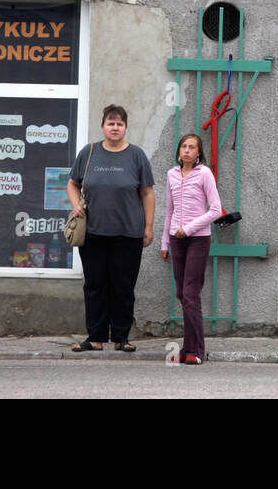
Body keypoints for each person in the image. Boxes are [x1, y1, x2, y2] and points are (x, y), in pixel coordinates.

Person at [67, 104, 154, 352]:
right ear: (103, 126)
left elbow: (147, 193)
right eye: (110, 123)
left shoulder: (136, 155)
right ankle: (94, 338)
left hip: (128, 233)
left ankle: (121, 338)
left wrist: (148, 226)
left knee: (123, 286)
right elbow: (72, 184)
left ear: (125, 127)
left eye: (119, 124)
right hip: (93, 232)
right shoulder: (89, 152)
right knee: (95, 285)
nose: (115, 128)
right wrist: (76, 206)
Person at [160, 133, 223, 365]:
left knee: (190, 294)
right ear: (179, 151)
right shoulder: (171, 174)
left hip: (197, 239)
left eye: (192, 147)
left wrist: (188, 228)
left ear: (198, 153)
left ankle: (196, 350)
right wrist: (164, 243)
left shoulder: (204, 173)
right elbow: (169, 210)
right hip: (176, 240)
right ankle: (187, 348)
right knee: (182, 294)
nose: (186, 150)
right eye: (183, 146)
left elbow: (216, 210)